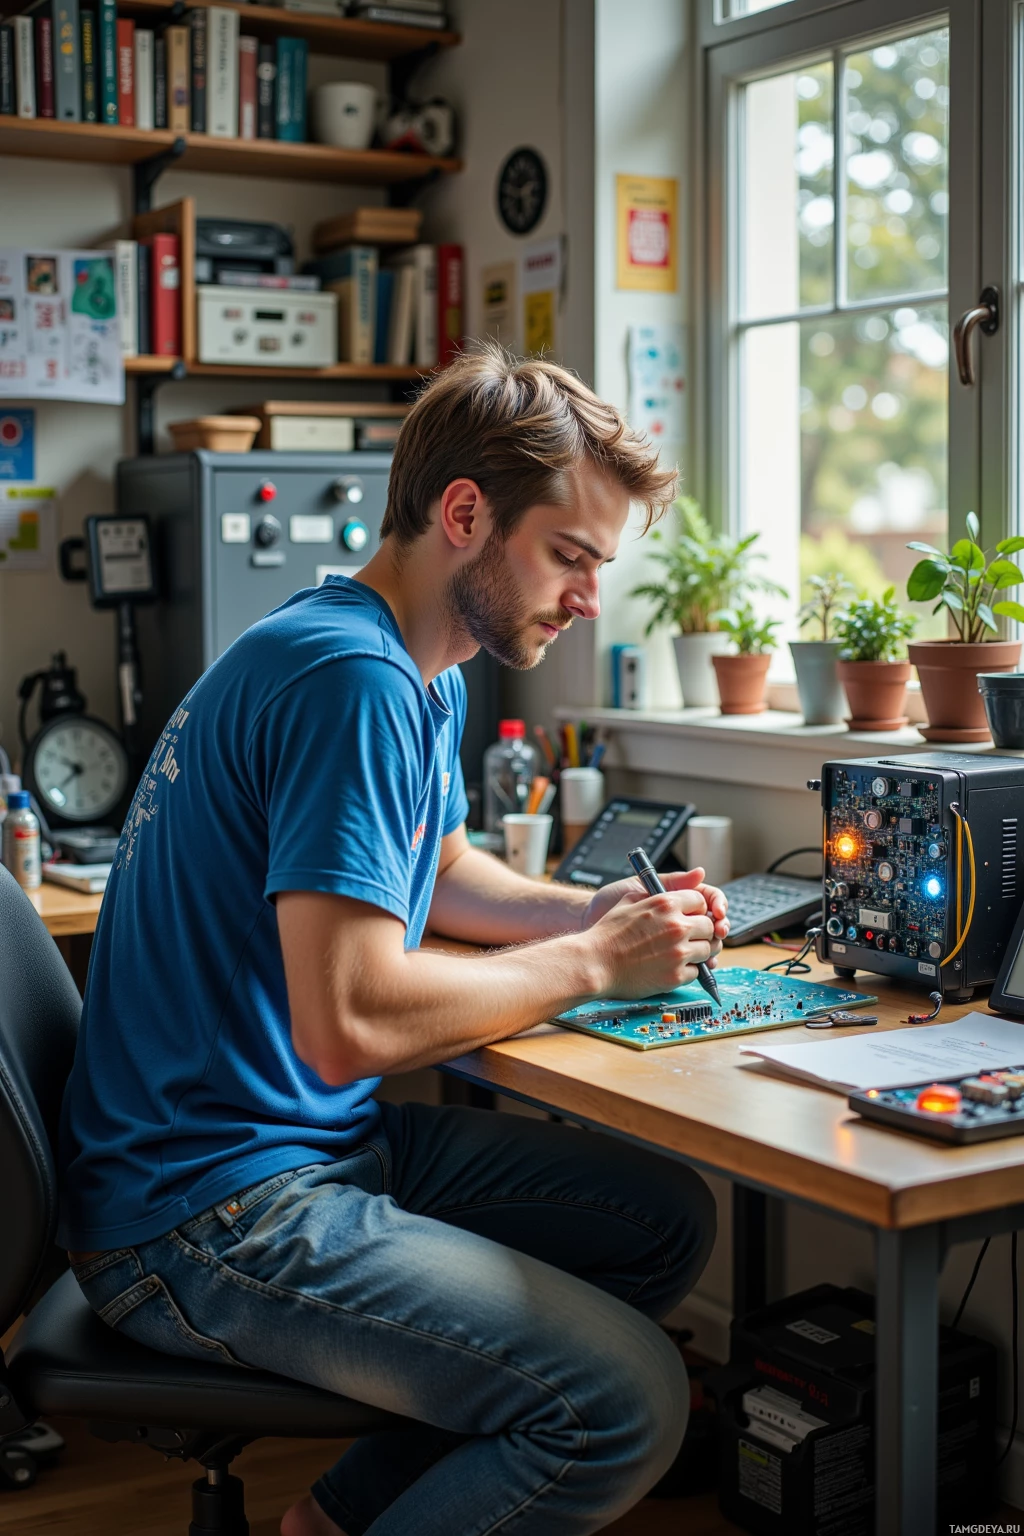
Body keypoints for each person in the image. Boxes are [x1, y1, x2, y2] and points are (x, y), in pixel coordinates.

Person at [59, 345, 728, 1536]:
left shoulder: (418, 667)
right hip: (204, 1210)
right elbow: (351, 1021)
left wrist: (589, 914)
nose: (586, 598)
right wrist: (586, 967)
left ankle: (337, 1520)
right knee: (622, 1400)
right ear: (464, 514)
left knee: (661, 1218)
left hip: (286, 1147)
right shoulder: (348, 683)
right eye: (569, 556)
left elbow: (437, 869)